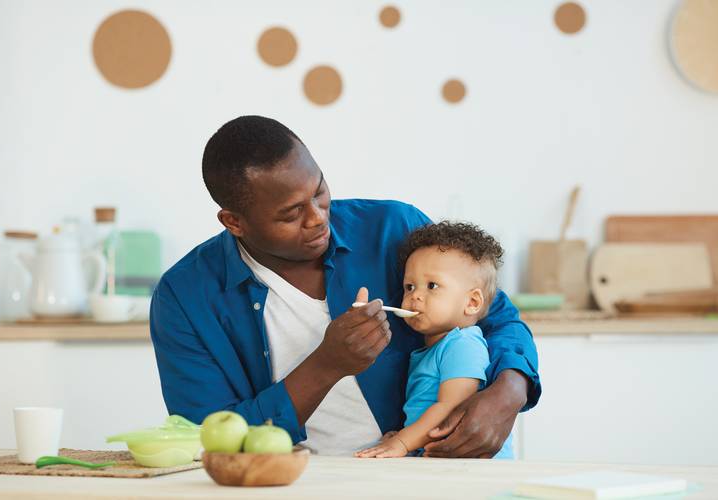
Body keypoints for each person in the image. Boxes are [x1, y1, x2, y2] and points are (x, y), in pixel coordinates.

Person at [150, 115, 541, 457]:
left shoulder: (393, 229)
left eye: (319, 191)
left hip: (420, 474)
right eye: (291, 214)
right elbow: (210, 441)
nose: (318, 218)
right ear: (234, 222)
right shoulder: (185, 297)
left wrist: (509, 394)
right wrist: (326, 365)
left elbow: (497, 317)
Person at [356, 221, 513, 458]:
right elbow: (426, 406)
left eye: (432, 285)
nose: (415, 295)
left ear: (472, 303)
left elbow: (451, 407)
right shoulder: (433, 348)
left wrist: (402, 442)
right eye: (409, 287)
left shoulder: (463, 345)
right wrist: (404, 434)